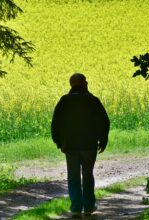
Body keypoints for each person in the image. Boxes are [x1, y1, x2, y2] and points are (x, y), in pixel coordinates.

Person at [51, 73, 110, 218]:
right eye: (85, 80)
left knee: (73, 176)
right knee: (88, 175)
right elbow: (104, 122)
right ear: (82, 83)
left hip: (70, 146)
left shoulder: (64, 101)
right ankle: (89, 207)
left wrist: (59, 142)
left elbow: (55, 123)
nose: (87, 82)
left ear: (72, 84)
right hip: (89, 145)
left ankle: (76, 208)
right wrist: (102, 141)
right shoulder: (93, 100)